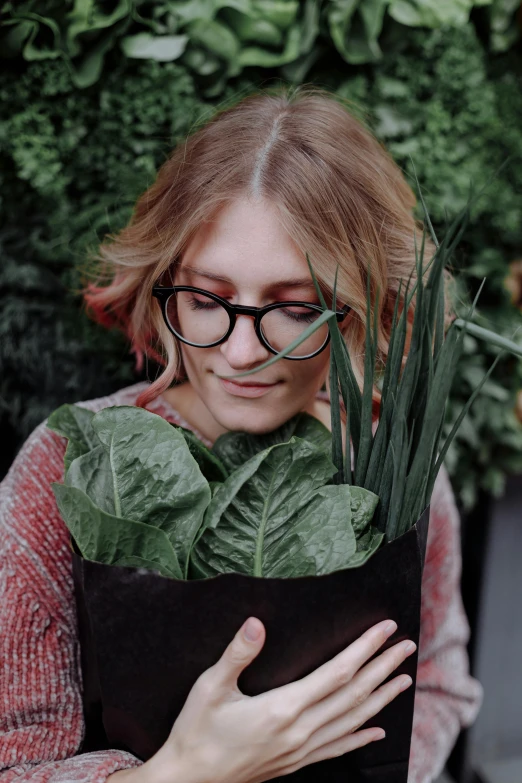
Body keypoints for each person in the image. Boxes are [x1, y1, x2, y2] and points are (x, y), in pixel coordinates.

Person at [0, 85, 482, 783]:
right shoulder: (66, 462)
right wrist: (187, 771)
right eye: (204, 299)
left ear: (358, 308)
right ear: (161, 281)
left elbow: (437, 679)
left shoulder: (392, 463)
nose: (241, 352)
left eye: (293, 308)